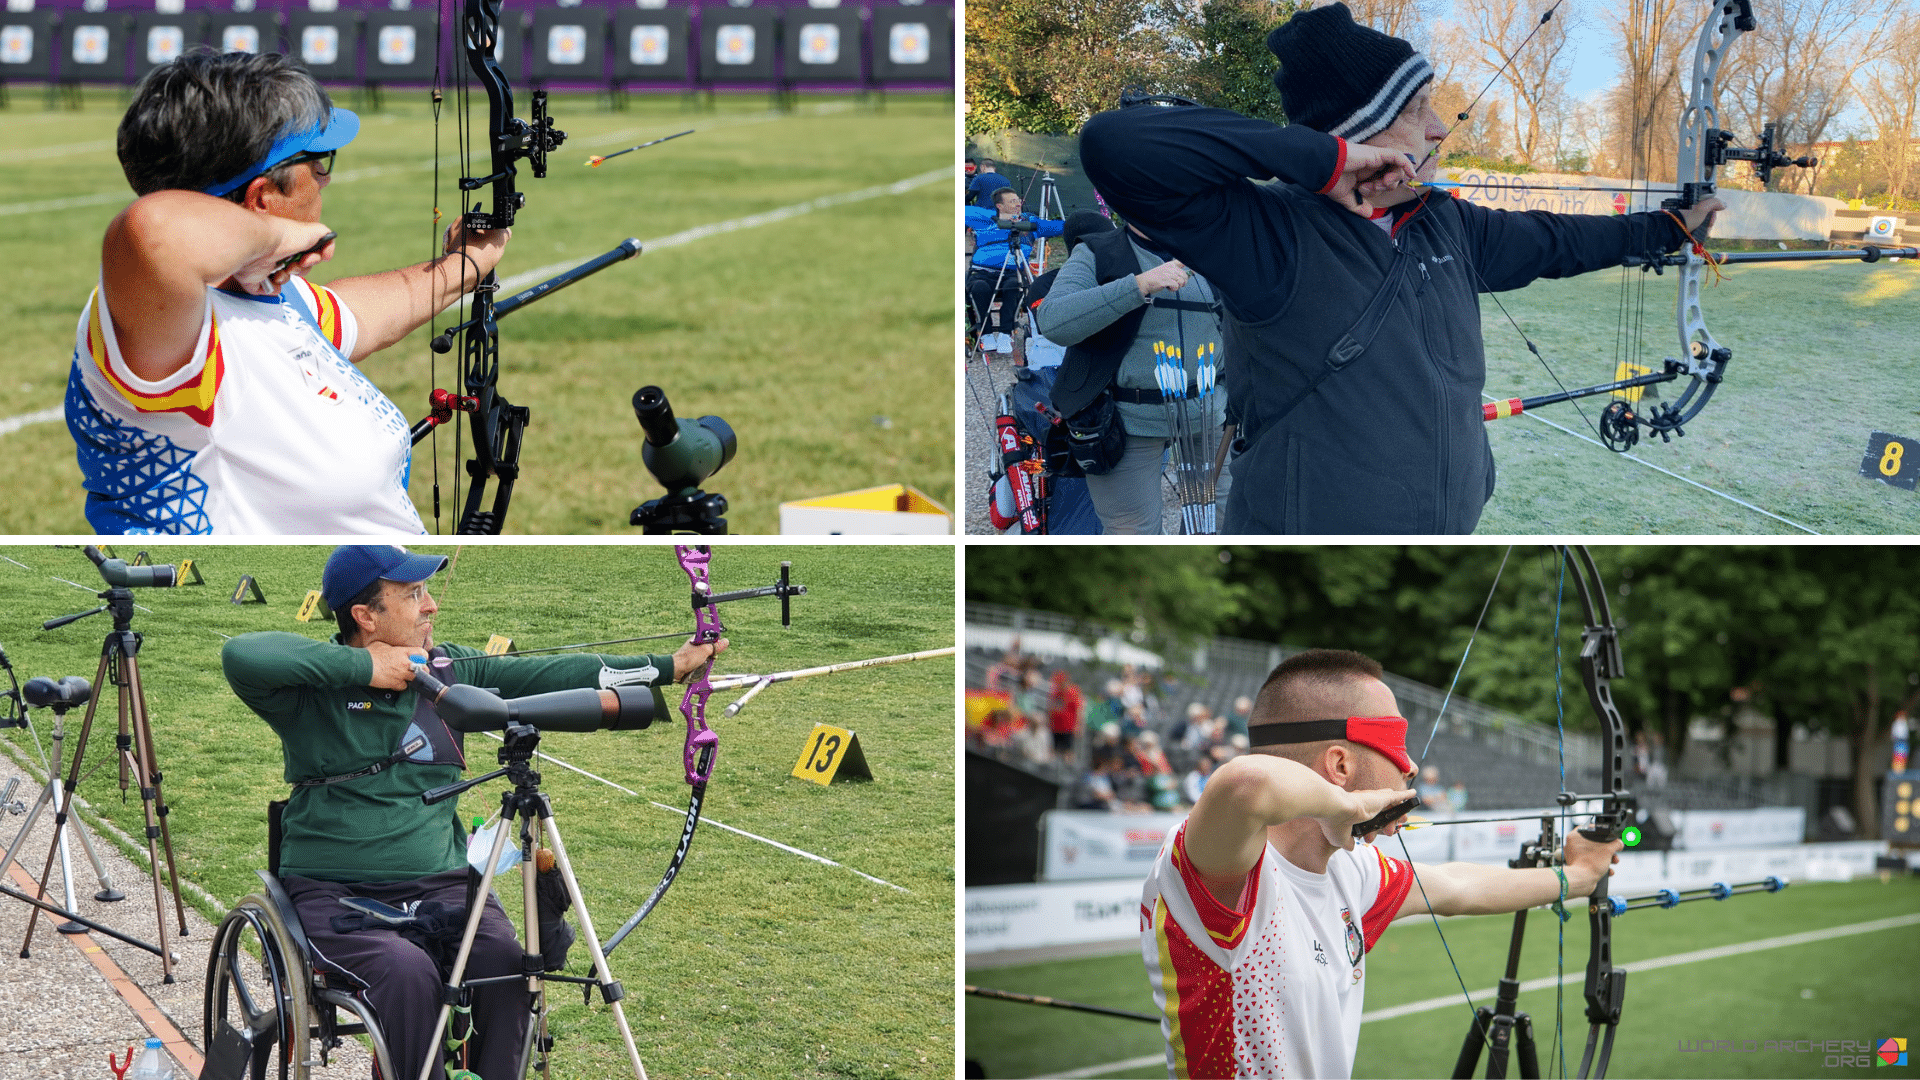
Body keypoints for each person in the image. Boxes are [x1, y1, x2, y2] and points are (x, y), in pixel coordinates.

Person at [1079, 4, 1725, 533]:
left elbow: (1555, 239)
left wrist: (1666, 230)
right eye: (1419, 109)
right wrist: (1324, 161)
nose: (1441, 129)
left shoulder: (1445, 220)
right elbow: (1114, 144)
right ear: (1363, 129)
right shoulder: (1267, 233)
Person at [221, 545, 726, 1080]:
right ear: (365, 617)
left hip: (444, 887)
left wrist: (671, 667)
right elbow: (243, 653)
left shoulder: (447, 670)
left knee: (506, 964)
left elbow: (551, 673)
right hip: (336, 893)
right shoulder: (309, 691)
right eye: (414, 594)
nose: (431, 605)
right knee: (407, 974)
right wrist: (367, 665)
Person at [68, 51, 518, 534]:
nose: (328, 177)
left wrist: (466, 263)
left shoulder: (275, 297)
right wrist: (280, 236)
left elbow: (367, 313)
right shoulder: (171, 330)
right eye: (318, 163)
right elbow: (153, 229)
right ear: (263, 197)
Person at [1141, 649, 1621, 1077]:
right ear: (1341, 766)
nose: (1410, 766)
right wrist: (1342, 808)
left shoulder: (1352, 872)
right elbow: (1244, 783)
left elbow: (1458, 886)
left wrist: (1577, 877)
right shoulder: (1226, 872)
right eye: (1397, 747)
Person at [1035, 214, 1227, 534]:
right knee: (1133, 534)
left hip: (1209, 416)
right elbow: (1054, 321)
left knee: (1214, 523)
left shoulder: (1212, 247)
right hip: (1126, 424)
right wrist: (1139, 284)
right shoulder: (1097, 251)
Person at [966, 187, 1064, 357]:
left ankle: (1005, 333)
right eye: (1012, 201)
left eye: (1018, 200)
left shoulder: (1028, 222)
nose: (1018, 204)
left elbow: (1058, 226)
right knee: (979, 287)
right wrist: (998, 219)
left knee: (1015, 286)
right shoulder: (986, 220)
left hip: (1013, 272)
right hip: (983, 272)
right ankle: (986, 333)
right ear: (999, 206)